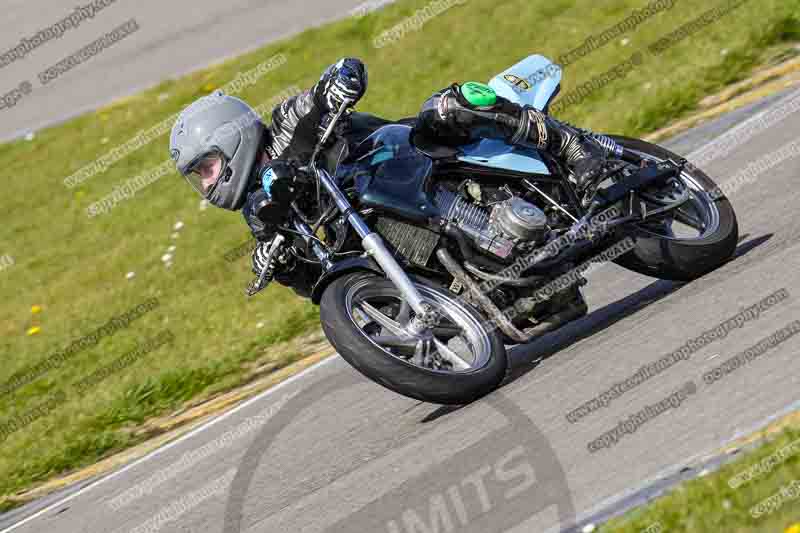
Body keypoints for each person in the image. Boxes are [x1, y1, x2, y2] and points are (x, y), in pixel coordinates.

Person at [169, 57, 608, 294]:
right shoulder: (263, 213)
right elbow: (323, 281)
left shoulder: (289, 123)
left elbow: (336, 80)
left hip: (415, 157)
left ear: (231, 138)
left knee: (447, 106)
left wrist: (341, 80)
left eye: (207, 168)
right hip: (401, 230)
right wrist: (284, 269)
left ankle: (572, 147)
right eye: (199, 179)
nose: (208, 186)